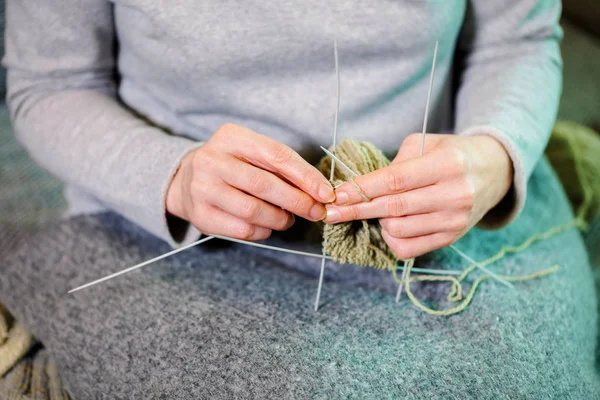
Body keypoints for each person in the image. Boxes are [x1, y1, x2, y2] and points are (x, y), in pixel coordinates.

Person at [2, 0, 598, 398]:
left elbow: (515, 41)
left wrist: (494, 155)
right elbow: (52, 84)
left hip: (448, 214)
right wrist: (173, 175)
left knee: (526, 383)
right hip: (166, 223)